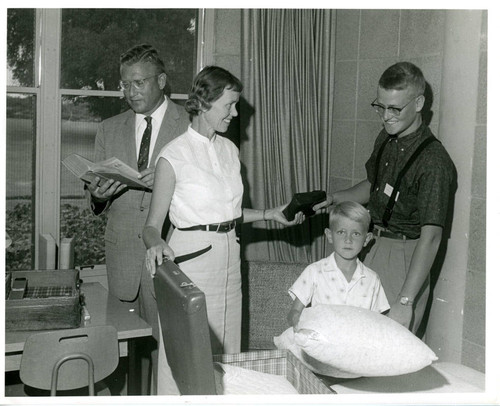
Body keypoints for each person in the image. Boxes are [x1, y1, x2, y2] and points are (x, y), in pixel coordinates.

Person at [142, 65, 304, 394]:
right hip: (192, 260)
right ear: (203, 102)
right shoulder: (172, 156)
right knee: (188, 353)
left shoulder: (230, 151)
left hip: (229, 258)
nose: (233, 113)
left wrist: (271, 214)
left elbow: (227, 213)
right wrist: (156, 244)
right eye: (228, 105)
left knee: (228, 351)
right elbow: (151, 226)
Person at [314, 61, 455, 336]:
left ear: (418, 103)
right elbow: (374, 186)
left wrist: (405, 300)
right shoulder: (386, 137)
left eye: (394, 108)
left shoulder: (434, 161)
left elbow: (432, 237)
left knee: (386, 346)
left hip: (405, 256)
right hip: (371, 243)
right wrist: (334, 198)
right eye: (381, 106)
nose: (385, 117)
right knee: (352, 338)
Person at [85, 44, 190, 394]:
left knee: (170, 346)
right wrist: (97, 197)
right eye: (124, 84)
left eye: (139, 82)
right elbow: (97, 196)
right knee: (123, 351)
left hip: (169, 250)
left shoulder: (189, 125)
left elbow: (203, 195)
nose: (130, 92)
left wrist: (166, 184)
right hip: (123, 257)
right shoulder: (108, 128)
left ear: (161, 80)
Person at [287, 201, 390, 331]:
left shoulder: (372, 279)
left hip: (356, 346)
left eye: (356, 233)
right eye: (341, 232)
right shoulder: (314, 271)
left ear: (367, 239)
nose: (348, 240)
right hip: (321, 343)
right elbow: (294, 311)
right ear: (330, 235)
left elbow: (379, 322)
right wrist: (299, 323)